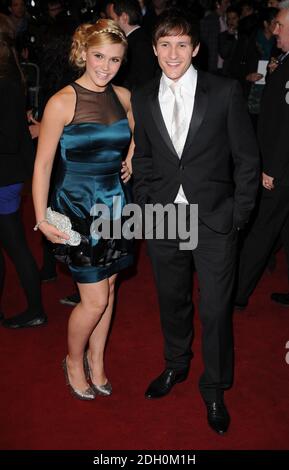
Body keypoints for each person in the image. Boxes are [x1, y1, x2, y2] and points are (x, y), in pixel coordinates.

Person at [131, 10, 259, 433]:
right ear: (153, 49)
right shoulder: (144, 96)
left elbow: (246, 158)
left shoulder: (223, 92)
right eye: (164, 45)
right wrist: (147, 205)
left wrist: (238, 215)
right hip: (165, 217)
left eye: (182, 44)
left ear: (196, 48)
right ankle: (176, 364)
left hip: (214, 220)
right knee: (172, 301)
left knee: (216, 308)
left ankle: (215, 387)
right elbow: (145, 158)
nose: (173, 53)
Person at [32, 19, 134, 400]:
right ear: (84, 54)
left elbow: (135, 130)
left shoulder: (123, 97)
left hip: (116, 206)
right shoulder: (62, 101)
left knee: (109, 286)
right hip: (77, 208)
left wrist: (132, 157)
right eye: (99, 57)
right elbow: (42, 165)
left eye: (115, 60)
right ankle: (73, 360)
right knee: (94, 299)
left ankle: (97, 358)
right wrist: (41, 217)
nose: (105, 67)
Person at [235, 2, 289, 310]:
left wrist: (271, 168)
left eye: (281, 25)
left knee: (260, 230)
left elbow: (285, 126)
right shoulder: (283, 61)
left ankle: (235, 293)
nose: (275, 30)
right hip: (281, 164)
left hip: (280, 169)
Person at [0, 13, 46, 328]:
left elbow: (8, 137)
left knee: (15, 243)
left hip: (4, 175)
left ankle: (35, 309)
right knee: (11, 242)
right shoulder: (10, 72)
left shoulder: (4, 81)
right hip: (8, 173)